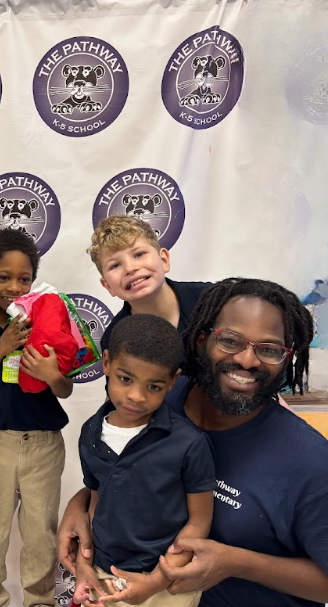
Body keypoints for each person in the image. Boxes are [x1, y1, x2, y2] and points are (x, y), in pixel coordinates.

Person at [58, 278, 328, 607]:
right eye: (230, 340)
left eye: (269, 349)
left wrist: (236, 563)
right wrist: (80, 503)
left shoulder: (310, 462)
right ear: (202, 339)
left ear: (287, 359)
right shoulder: (156, 396)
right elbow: (123, 471)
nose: (247, 360)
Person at [0, 228, 73, 607]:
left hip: (43, 443)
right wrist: (0, 348)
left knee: (41, 535)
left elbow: (65, 389)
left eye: (25, 279)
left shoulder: (46, 323)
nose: (14, 287)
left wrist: (52, 374)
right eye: (3, 277)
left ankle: (40, 600)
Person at [75, 314, 214, 607]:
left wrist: (155, 582)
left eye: (153, 386)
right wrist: (85, 563)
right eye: (125, 379)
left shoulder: (189, 443)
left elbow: (199, 521)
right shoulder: (89, 432)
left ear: (173, 380)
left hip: (168, 583)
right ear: (107, 363)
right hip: (106, 575)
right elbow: (96, 504)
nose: (136, 396)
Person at [87, 216, 211, 353]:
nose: (130, 268)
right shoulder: (114, 341)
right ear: (108, 286)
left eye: (139, 254)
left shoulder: (212, 300)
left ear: (164, 260)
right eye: (115, 265)